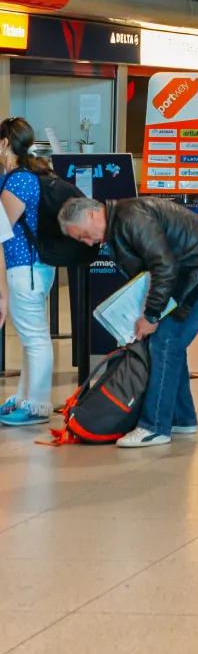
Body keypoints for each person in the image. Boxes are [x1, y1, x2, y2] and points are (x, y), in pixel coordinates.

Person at [59, 193, 198, 447]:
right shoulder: (117, 225)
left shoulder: (131, 217)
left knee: (165, 340)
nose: (88, 243)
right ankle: (182, 417)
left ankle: (154, 426)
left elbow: (163, 266)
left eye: (83, 234)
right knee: (170, 340)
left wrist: (152, 315)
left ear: (90, 214)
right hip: (191, 269)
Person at [0, 119, 52, 428]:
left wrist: (2, 292)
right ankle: (23, 398)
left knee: (35, 339)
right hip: (27, 269)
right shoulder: (19, 177)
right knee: (30, 338)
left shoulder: (18, 181)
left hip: (25, 269)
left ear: (5, 143)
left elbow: (1, 231)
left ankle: (38, 406)